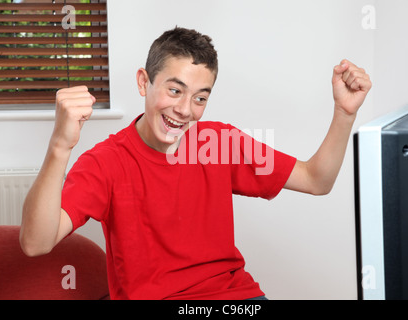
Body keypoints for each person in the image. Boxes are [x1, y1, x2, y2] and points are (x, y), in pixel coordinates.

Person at [20, 27, 372, 300]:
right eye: (174, 90)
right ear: (144, 82)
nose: (186, 109)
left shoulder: (217, 142)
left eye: (200, 97)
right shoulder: (106, 162)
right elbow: (36, 243)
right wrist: (59, 146)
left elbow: (316, 180)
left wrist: (344, 113)